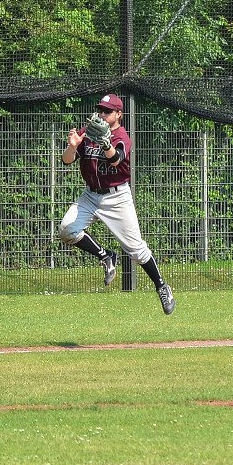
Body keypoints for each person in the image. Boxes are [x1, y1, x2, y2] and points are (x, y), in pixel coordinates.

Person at [59, 93, 175, 315]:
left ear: (118, 114)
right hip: (90, 195)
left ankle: (162, 286)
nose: (102, 114)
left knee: (136, 250)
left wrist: (104, 143)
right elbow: (66, 160)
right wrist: (73, 146)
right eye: (100, 110)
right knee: (67, 230)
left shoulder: (122, 136)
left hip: (117, 197)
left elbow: (116, 159)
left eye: (107, 111)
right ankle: (106, 256)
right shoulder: (89, 131)